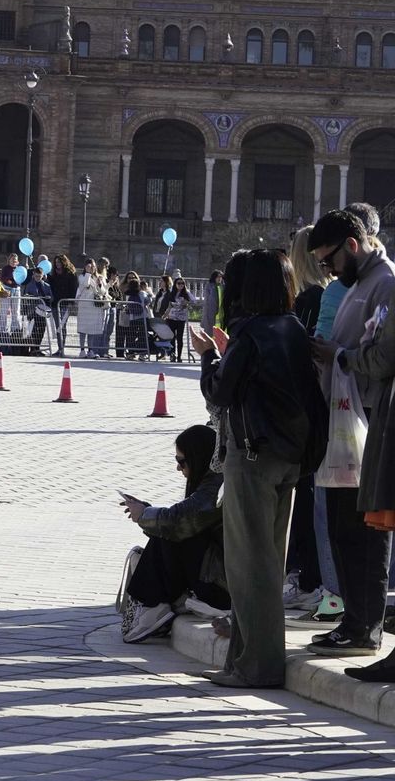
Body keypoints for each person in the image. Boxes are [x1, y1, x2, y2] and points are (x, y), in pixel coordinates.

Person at [191, 249, 327, 687]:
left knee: (250, 568)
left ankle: (256, 666)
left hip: (252, 458)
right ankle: (242, 660)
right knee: (269, 560)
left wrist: (209, 356)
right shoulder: (292, 328)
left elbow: (220, 393)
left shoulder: (249, 333)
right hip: (290, 458)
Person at [306, 209, 395, 658]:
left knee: (366, 529)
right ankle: (353, 620)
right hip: (348, 420)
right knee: (342, 525)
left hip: (372, 422)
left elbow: (382, 358)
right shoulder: (360, 283)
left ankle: (366, 627)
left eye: (330, 260)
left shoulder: (386, 284)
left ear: (352, 246)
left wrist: (339, 354)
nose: (329, 270)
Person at [118, 424, 230, 642]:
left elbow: (181, 521)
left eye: (182, 461)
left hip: (221, 586)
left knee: (172, 531)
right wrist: (147, 511)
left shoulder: (216, 485)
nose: (179, 468)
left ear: (198, 458)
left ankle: (151, 605)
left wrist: (145, 514)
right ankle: (152, 605)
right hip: (216, 575)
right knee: (167, 530)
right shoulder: (212, 482)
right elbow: (180, 518)